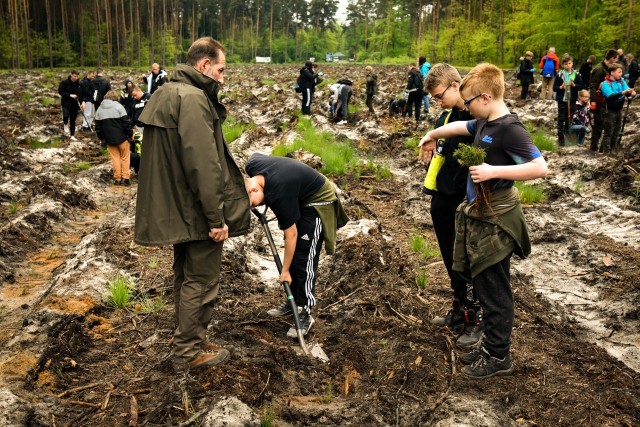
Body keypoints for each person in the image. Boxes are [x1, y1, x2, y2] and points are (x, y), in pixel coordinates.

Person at [418, 63, 548, 379]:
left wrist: (494, 171)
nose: (468, 109)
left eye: (471, 102)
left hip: (498, 217)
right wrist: (431, 133)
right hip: (481, 214)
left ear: (486, 97)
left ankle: (499, 356)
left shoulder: (508, 128)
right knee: (485, 283)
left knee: (494, 289)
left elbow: (540, 167)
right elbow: (456, 129)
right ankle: (490, 347)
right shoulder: (483, 123)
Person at [134, 37, 251, 373]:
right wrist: (216, 218)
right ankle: (188, 353)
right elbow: (204, 165)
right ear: (204, 66)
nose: (223, 77)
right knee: (201, 279)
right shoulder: (195, 99)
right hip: (196, 210)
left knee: (185, 275)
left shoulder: (166, 92)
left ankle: (190, 338)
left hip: (175, 207)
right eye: (221, 69)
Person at [245, 153, 349, 339]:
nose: (254, 208)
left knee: (304, 257)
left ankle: (305, 311)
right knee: (295, 255)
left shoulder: (279, 193)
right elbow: (257, 156)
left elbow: (290, 234)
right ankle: (292, 301)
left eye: (254, 204)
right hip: (298, 195)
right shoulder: (252, 166)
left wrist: (284, 271)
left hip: (317, 201)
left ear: (255, 190)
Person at [422, 63, 481, 349]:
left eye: (438, 95)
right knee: (450, 259)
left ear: (455, 85)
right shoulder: (446, 116)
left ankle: (474, 318)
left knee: (466, 261)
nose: (437, 101)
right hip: (443, 201)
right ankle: (459, 309)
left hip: (464, 203)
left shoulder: (474, 116)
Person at [95, 90, 134, 185]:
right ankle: (125, 178)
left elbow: (98, 127)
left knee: (115, 158)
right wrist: (130, 134)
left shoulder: (99, 109)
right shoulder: (119, 107)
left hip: (109, 139)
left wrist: (102, 138)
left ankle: (117, 179)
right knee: (125, 157)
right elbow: (126, 122)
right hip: (122, 137)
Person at [600, 62, 636, 153]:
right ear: (612, 72)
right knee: (609, 132)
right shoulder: (605, 84)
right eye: (619, 72)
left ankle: (613, 149)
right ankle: (606, 152)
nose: (621, 74)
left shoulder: (621, 81)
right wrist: (623, 93)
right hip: (609, 110)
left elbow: (627, 89)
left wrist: (631, 93)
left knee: (617, 130)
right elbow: (610, 96)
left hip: (618, 109)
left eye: (621, 72)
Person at [589, 49, 619, 152]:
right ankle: (593, 148)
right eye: (616, 59)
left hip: (607, 102)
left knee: (606, 125)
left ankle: (602, 149)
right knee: (598, 125)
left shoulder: (609, 69)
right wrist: (593, 101)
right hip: (598, 100)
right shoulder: (599, 69)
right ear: (612, 58)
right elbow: (592, 86)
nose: (617, 61)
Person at [553, 56, 584, 147]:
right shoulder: (560, 75)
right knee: (561, 119)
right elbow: (554, 88)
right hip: (562, 100)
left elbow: (581, 86)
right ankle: (561, 139)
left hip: (572, 100)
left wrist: (574, 85)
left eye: (569, 63)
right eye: (565, 64)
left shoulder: (576, 74)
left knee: (569, 118)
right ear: (563, 65)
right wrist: (561, 87)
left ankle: (568, 137)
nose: (568, 65)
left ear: (572, 63)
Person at [58, 70, 84, 142]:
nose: (76, 78)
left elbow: (82, 93)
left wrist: (82, 102)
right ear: (71, 75)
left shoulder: (80, 83)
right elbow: (60, 92)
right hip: (66, 103)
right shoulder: (64, 82)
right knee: (66, 115)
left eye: (77, 76)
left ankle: (72, 135)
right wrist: (70, 95)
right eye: (74, 76)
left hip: (75, 104)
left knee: (73, 120)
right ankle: (65, 123)